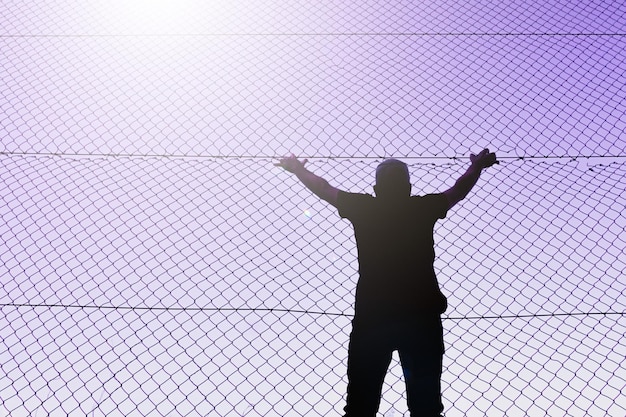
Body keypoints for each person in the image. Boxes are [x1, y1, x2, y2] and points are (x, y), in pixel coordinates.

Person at [275, 149, 498, 417]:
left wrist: (299, 170)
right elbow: (457, 191)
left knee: (360, 405)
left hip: (373, 317)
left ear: (376, 187)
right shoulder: (421, 209)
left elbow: (324, 189)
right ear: (409, 187)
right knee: (425, 406)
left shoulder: (364, 208)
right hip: (420, 317)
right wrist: (476, 167)